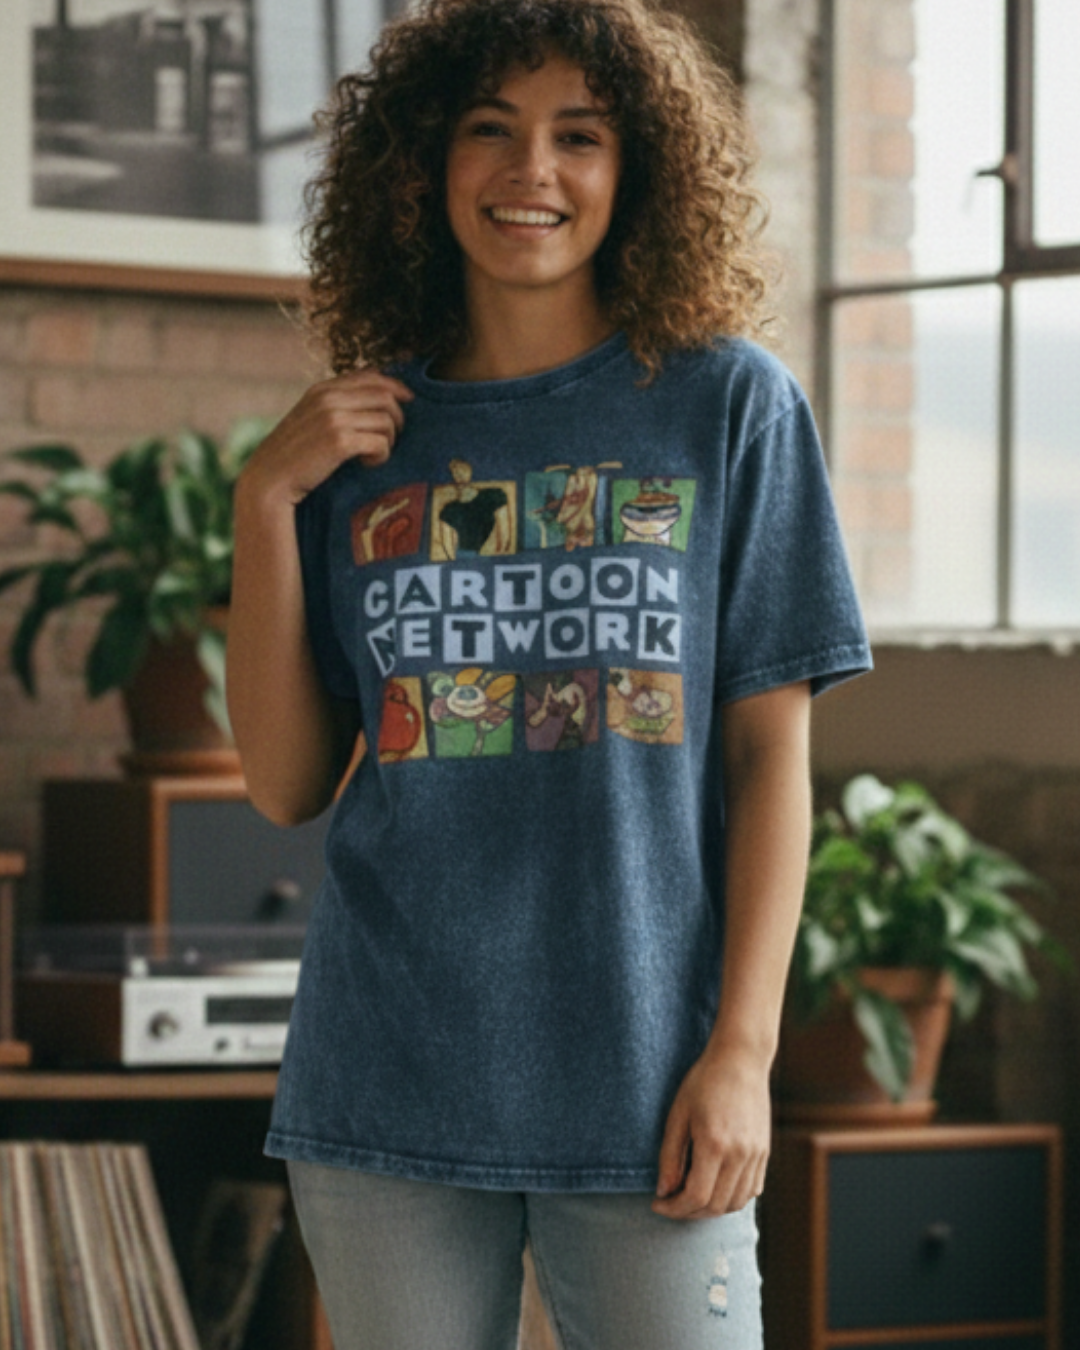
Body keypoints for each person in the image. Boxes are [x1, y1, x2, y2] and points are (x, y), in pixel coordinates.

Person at [225, 0, 872, 1344]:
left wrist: (742, 1054)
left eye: (578, 135)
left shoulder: (729, 407)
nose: (534, 171)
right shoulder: (359, 441)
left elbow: (768, 763)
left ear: (635, 171)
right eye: (490, 132)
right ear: (422, 163)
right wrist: (264, 499)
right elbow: (288, 781)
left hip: (652, 1083)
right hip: (389, 1072)